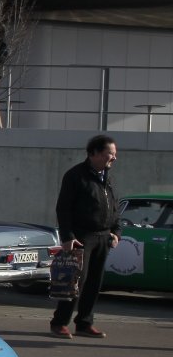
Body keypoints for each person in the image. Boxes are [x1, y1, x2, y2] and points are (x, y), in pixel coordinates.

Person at [50, 134, 120, 339]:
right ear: (94, 153)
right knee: (75, 282)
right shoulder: (75, 176)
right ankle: (59, 323)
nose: (114, 158)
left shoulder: (108, 178)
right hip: (82, 237)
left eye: (114, 154)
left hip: (103, 237)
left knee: (94, 283)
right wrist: (67, 236)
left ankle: (84, 323)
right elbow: (63, 208)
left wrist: (116, 232)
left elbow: (114, 207)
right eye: (110, 154)